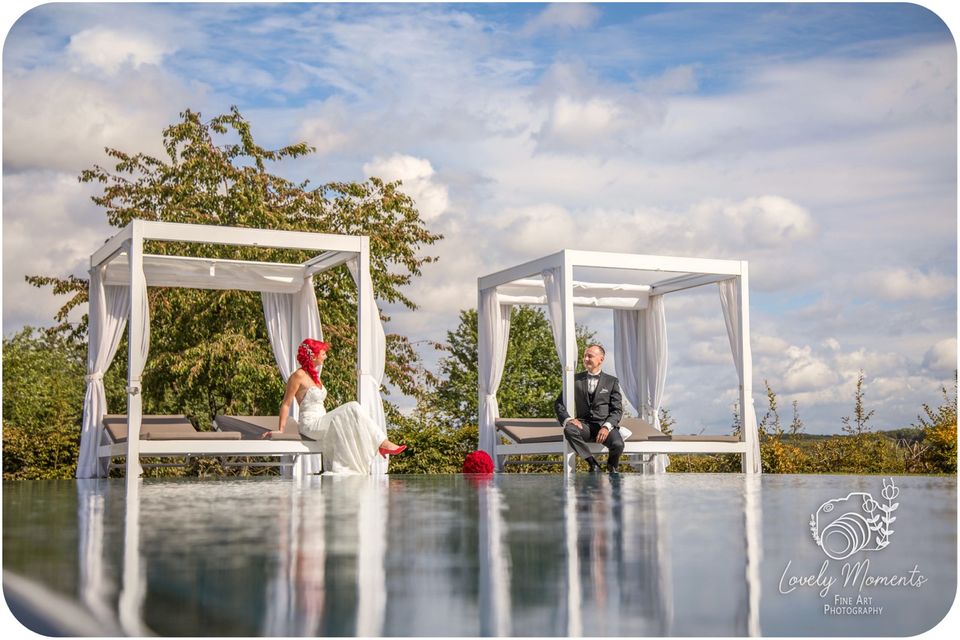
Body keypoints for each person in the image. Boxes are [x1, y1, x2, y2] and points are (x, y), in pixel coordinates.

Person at [267, 338, 406, 474]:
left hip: (322, 420)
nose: (325, 357)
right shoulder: (298, 375)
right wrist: (281, 429)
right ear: (313, 356)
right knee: (353, 407)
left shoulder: (315, 377)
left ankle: (376, 446)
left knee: (351, 419)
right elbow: (286, 403)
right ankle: (382, 443)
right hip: (310, 425)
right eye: (323, 354)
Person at [555, 343, 624, 474]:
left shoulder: (612, 381)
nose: (586, 359)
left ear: (601, 359)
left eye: (590, 356)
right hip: (584, 426)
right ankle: (593, 464)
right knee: (569, 430)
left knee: (618, 445)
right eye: (584, 356)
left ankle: (612, 466)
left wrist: (606, 426)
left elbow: (617, 410)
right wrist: (569, 419)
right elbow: (559, 403)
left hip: (605, 426)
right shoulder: (574, 379)